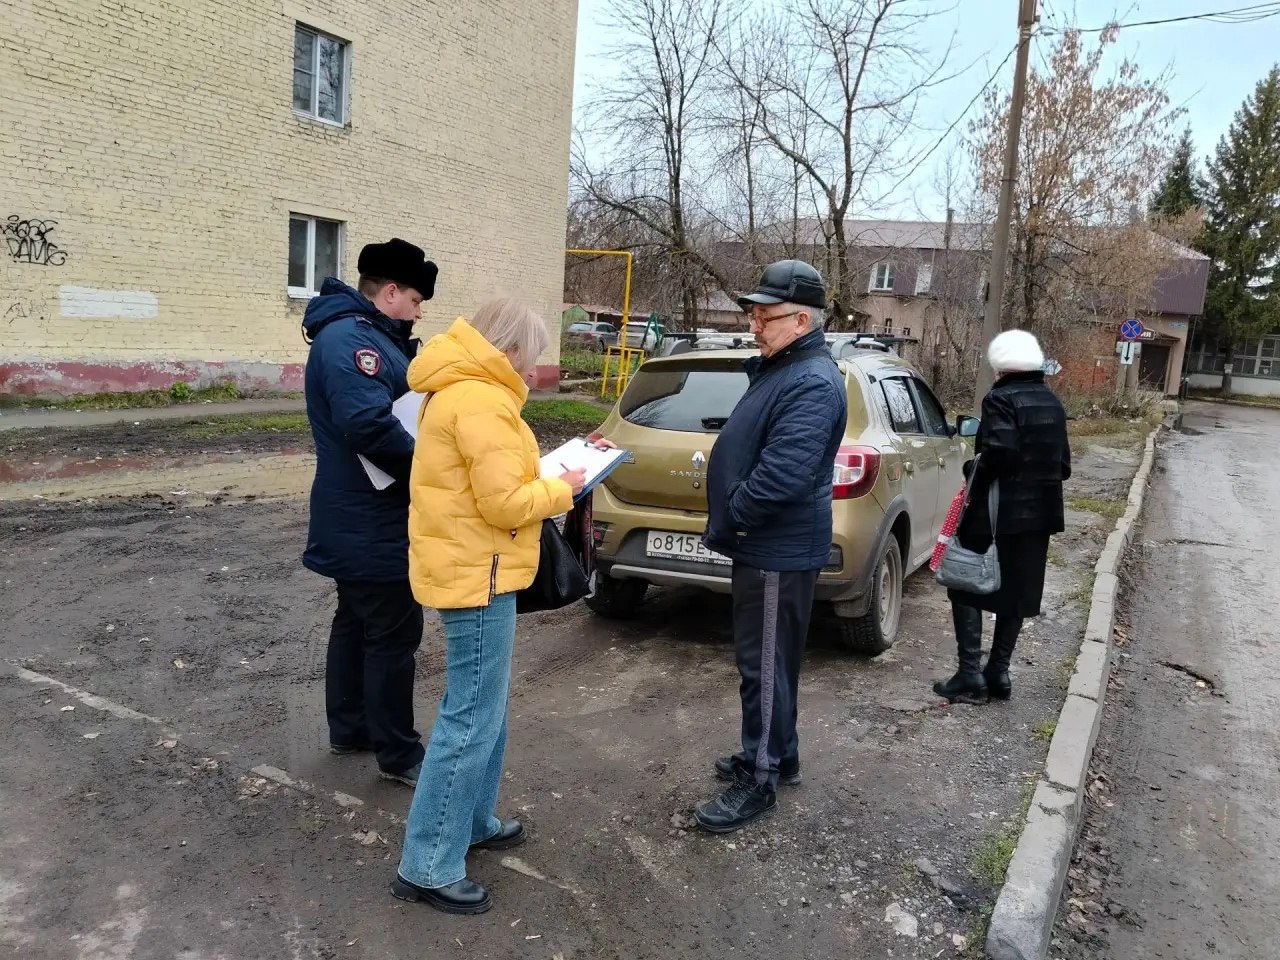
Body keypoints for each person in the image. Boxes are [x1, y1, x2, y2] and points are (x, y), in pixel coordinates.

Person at [391, 299, 588, 915]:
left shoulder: (460, 391)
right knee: (471, 717)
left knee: (485, 708)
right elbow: (505, 504)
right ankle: (427, 864)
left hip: (475, 569)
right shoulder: (481, 400)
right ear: (506, 349)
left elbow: (486, 487)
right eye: (529, 357)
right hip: (479, 577)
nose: (533, 369)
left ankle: (470, 821)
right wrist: (567, 486)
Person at [696, 260, 848, 833]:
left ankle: (757, 781)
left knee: (762, 666)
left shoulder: (810, 380)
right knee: (772, 663)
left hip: (774, 548)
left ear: (802, 319)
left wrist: (734, 516)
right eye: (753, 315)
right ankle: (777, 757)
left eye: (766, 316)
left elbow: (783, 474)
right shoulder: (784, 368)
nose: (754, 326)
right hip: (768, 546)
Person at [301, 238, 438, 787]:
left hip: (358, 515)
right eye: (416, 300)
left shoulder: (365, 337)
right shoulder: (352, 343)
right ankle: (399, 753)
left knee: (357, 622)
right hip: (371, 517)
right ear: (390, 292)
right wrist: (435, 469)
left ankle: (352, 728)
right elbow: (370, 426)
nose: (419, 311)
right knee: (392, 633)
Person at [933, 329, 1071, 704]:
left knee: (964, 585)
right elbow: (1062, 466)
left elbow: (1000, 452)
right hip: (1039, 517)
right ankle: (999, 672)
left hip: (996, 513)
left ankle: (969, 676)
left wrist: (971, 474)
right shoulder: (1053, 402)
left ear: (1002, 366)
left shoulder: (1000, 399)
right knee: (1017, 592)